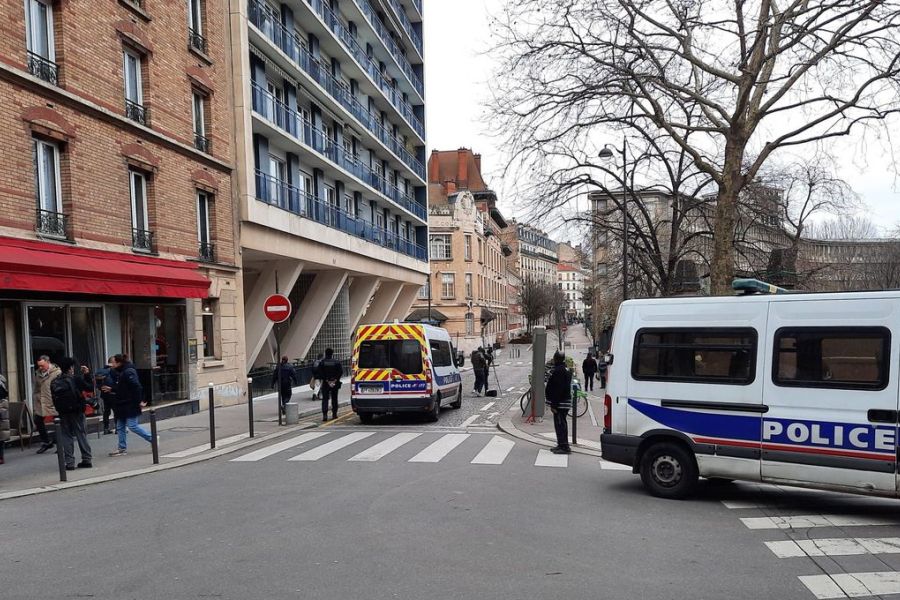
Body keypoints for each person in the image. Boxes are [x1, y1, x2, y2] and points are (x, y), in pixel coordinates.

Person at [104, 354, 153, 457]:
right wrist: (112, 389)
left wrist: (139, 401)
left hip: (130, 403)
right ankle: (122, 448)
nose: (111, 365)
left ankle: (152, 438)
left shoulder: (128, 371)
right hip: (122, 403)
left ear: (119, 363)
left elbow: (136, 387)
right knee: (120, 426)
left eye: (112, 362)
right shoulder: (121, 371)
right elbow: (123, 387)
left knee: (132, 425)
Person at [51, 357, 93, 470]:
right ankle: (86, 459)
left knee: (66, 436)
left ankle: (69, 463)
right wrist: (87, 374)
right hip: (77, 410)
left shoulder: (55, 381)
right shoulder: (76, 379)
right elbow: (90, 388)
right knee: (81, 434)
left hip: (63, 412)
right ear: (70, 368)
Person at [545, 351, 573, 454]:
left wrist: (554, 404)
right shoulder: (565, 369)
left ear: (556, 359)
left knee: (560, 424)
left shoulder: (558, 371)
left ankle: (564, 446)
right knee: (561, 424)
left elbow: (558, 389)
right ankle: (561, 444)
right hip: (564, 401)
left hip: (560, 403)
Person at [32, 355, 61, 454]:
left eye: (42, 366)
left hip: (53, 400)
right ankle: (46, 442)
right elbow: (36, 387)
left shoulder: (57, 372)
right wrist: (36, 397)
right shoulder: (38, 373)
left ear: (48, 362)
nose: (40, 368)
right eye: (39, 366)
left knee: (57, 421)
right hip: (41, 401)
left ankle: (59, 443)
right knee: (37, 420)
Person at [317, 348, 343, 422]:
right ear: (332, 354)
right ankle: (334, 414)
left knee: (325, 399)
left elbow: (320, 372)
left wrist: (326, 380)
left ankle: (325, 415)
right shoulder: (337, 362)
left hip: (326, 383)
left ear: (325, 353)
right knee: (334, 398)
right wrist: (335, 379)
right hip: (335, 383)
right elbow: (340, 372)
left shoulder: (322, 362)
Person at [95, 357, 119, 435]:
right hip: (113, 393)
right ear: (112, 362)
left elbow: (98, 384)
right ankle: (117, 428)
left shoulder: (102, 370)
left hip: (105, 395)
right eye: (115, 361)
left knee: (106, 411)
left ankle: (106, 428)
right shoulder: (113, 370)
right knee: (116, 411)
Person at [0, 372, 9, 465]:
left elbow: (2, 398)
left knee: (1, 435)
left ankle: (1, 457)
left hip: (1, 411)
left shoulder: (0, 384)